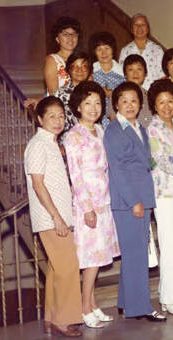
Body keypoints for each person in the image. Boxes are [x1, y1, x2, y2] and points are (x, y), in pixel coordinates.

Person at [104, 81, 166, 322]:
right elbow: (118, 170)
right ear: (116, 104)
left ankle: (125, 302)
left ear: (140, 104)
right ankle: (140, 307)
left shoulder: (138, 126)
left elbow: (145, 162)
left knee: (134, 252)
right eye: (124, 101)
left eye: (134, 100)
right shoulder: (114, 130)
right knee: (137, 255)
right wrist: (134, 202)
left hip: (143, 195)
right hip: (128, 200)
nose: (130, 105)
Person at [24, 96, 82, 337]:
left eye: (61, 116)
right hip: (51, 218)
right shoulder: (38, 144)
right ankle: (65, 320)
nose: (58, 121)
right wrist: (56, 217)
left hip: (60, 215)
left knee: (58, 269)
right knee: (69, 267)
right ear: (39, 119)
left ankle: (51, 317)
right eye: (51, 117)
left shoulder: (51, 143)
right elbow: (38, 185)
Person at [64, 81, 121, 328]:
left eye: (98, 102)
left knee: (98, 258)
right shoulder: (74, 135)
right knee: (90, 260)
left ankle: (93, 303)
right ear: (78, 106)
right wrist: (87, 208)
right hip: (88, 205)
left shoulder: (99, 129)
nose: (93, 107)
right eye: (87, 103)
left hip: (104, 200)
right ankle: (84, 307)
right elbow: (75, 175)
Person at [147, 79, 173, 315]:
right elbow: (160, 160)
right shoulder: (152, 128)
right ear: (154, 104)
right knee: (169, 243)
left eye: (170, 101)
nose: (166, 106)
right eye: (161, 102)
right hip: (163, 193)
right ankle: (168, 298)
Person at [119, 13, 165, 90]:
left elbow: (162, 76)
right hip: (131, 93)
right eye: (136, 25)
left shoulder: (158, 50)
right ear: (131, 29)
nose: (139, 27)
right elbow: (121, 75)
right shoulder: (125, 50)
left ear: (147, 29)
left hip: (152, 95)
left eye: (143, 24)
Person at [89, 31, 125, 128]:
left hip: (118, 119)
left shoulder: (122, 72)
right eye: (99, 49)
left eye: (107, 48)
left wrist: (113, 94)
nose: (103, 53)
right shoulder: (90, 71)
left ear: (113, 50)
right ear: (94, 52)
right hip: (95, 119)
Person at [53, 51, 91, 142]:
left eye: (84, 66)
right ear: (69, 70)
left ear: (89, 70)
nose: (79, 70)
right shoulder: (60, 94)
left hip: (92, 140)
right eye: (75, 66)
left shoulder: (93, 92)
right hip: (69, 142)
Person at [44, 17, 81, 94]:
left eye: (74, 34)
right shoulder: (52, 60)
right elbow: (54, 93)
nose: (70, 37)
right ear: (57, 39)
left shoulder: (82, 59)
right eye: (65, 34)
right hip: (59, 104)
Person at [123, 54, 153, 128]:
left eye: (139, 69)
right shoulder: (118, 94)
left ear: (145, 73)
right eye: (131, 69)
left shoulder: (150, 95)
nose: (135, 73)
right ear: (125, 74)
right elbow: (115, 119)